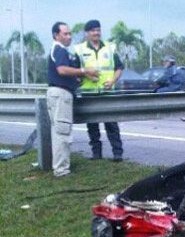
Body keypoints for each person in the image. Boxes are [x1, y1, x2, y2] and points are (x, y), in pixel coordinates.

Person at [46, 21, 99, 177]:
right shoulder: (60, 50)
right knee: (62, 133)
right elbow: (62, 70)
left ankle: (60, 167)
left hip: (60, 93)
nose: (69, 36)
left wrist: (80, 76)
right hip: (61, 94)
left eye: (70, 33)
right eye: (65, 33)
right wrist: (83, 70)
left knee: (59, 132)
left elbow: (66, 73)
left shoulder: (59, 50)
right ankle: (61, 170)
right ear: (57, 35)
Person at [74, 19, 125, 161]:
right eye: (93, 30)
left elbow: (119, 68)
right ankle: (97, 154)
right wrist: (86, 74)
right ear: (87, 33)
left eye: (98, 30)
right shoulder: (79, 50)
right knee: (92, 126)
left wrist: (113, 80)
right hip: (89, 93)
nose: (96, 33)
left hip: (107, 92)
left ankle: (117, 154)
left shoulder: (109, 48)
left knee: (111, 124)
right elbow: (76, 71)